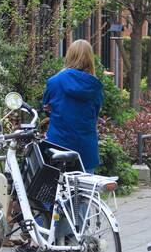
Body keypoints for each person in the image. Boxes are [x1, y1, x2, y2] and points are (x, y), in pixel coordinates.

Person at [41, 39, 104, 171]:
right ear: (90, 59)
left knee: (57, 188)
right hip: (86, 148)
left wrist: (50, 110)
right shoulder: (95, 86)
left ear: (69, 56)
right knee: (85, 188)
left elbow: (46, 106)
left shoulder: (55, 82)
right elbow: (95, 112)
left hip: (58, 145)